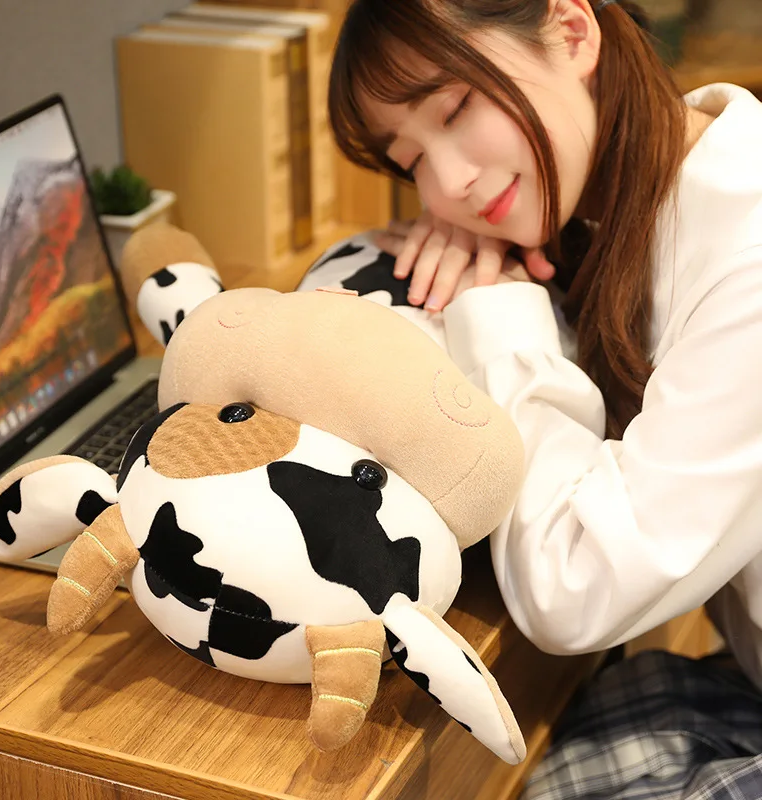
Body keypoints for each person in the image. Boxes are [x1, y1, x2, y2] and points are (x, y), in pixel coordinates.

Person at [324, 0, 762, 798]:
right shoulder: (648, 202)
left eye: (456, 108)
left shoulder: (748, 247)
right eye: (411, 160)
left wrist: (498, 310)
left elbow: (573, 588)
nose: (448, 183)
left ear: (572, 30)